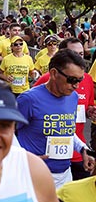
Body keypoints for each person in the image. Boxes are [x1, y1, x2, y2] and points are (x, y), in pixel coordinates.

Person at [17, 49, 95, 189]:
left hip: (64, 175)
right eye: (72, 80)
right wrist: (22, 157)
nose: (76, 86)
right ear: (53, 73)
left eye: (80, 80)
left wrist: (83, 149)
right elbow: (6, 134)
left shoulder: (73, 97)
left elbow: (67, 131)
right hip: (33, 175)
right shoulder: (28, 99)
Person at [34, 37, 96, 181]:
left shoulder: (86, 79)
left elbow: (84, 108)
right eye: (74, 54)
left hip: (77, 147)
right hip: (48, 154)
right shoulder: (47, 80)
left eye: (81, 54)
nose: (78, 58)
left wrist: (89, 112)